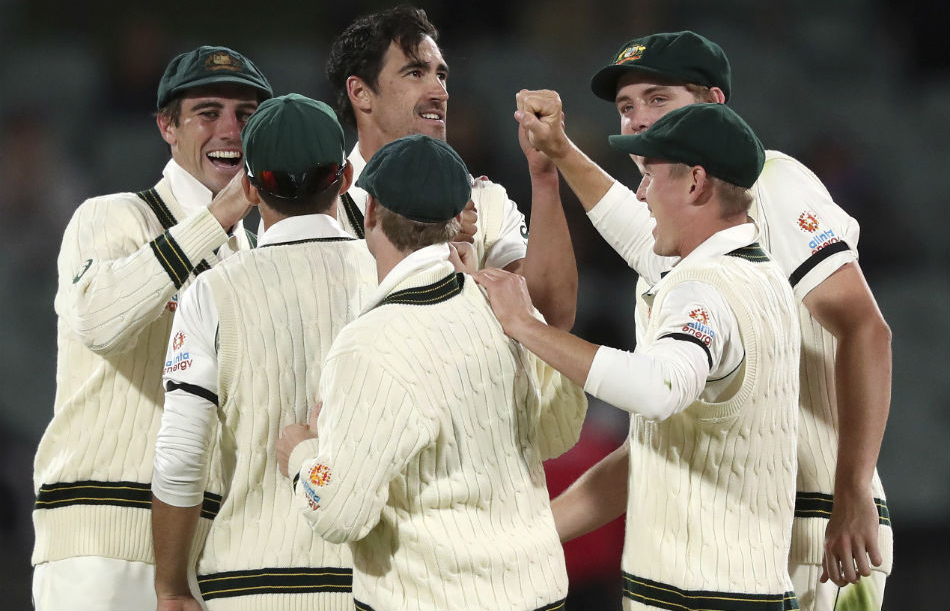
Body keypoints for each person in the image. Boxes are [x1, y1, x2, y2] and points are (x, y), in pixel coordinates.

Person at [516, 30, 892, 611]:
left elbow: (865, 328)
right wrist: (560, 154)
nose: (639, 119)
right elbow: (639, 232)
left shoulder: (770, 182)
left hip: (819, 526)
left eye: (658, 99)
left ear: (714, 103)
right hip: (737, 535)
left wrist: (854, 490)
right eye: (626, 106)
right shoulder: (683, 253)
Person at [477, 103, 802, 611]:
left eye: (649, 176)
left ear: (695, 183)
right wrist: (525, 539)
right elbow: (650, 458)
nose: (640, 194)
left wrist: (524, 325)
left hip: (702, 598)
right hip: (742, 590)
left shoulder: (702, 288)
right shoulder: (762, 276)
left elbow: (656, 390)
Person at [276, 134, 588, 611]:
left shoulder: (368, 345)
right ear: (458, 219)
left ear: (371, 211)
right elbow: (559, 431)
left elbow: (339, 515)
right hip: (538, 593)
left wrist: (302, 456)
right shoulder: (507, 306)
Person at [31, 45, 272, 610]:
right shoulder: (113, 216)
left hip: (209, 556)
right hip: (102, 546)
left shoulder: (254, 255)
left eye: (246, 115)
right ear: (167, 126)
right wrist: (219, 216)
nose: (230, 130)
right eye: (208, 113)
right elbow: (99, 322)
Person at [150, 93, 376, 610]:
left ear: (249, 188)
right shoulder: (391, 280)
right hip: (375, 583)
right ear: (345, 178)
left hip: (246, 586)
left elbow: (181, 457)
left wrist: (171, 588)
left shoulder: (209, 292)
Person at [325, 4, 577, 330]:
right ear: (361, 93)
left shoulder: (485, 201)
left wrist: (543, 177)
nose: (440, 93)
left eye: (441, 75)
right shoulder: (320, 204)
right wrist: (430, 243)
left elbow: (551, 318)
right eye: (415, 73)